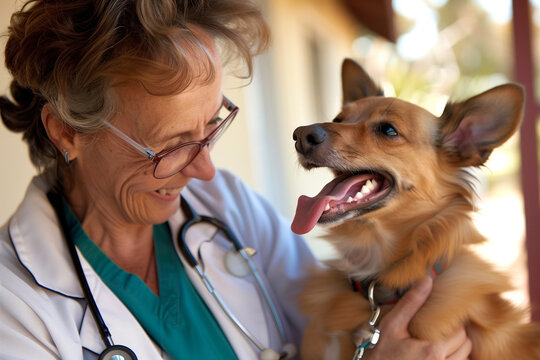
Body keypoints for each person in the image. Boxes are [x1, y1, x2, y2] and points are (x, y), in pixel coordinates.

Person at [0, 0, 472, 359]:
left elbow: (335, 333)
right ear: (67, 133)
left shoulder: (226, 205)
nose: (205, 169)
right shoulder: (14, 304)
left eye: (211, 126)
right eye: (169, 144)